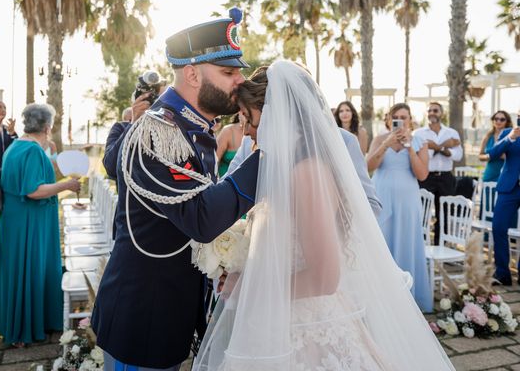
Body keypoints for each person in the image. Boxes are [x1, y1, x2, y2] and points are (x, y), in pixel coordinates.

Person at [193, 61, 454, 371]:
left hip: (307, 325)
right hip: (284, 313)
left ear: (279, 114)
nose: (246, 130)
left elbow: (324, 277)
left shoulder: (307, 173)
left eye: (249, 118)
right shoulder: (284, 167)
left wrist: (249, 283)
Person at [92, 9, 261, 371]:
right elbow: (200, 216)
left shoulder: (196, 127)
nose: (239, 81)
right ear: (192, 73)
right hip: (142, 318)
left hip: (169, 310)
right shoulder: (159, 132)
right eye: (229, 72)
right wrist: (269, 158)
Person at [0, 103, 80, 346]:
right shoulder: (32, 151)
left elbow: (35, 177)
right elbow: (33, 190)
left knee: (18, 271)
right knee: (28, 269)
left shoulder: (16, 145)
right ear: (48, 126)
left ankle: (19, 324)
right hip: (28, 222)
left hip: (16, 220)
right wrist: (67, 186)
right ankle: (21, 331)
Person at [228, 89, 382, 218]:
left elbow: (371, 205)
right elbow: (228, 187)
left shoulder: (344, 141)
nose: (246, 130)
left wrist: (327, 228)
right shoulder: (249, 142)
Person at [367, 102, 432, 311]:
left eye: (405, 117)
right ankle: (380, 296)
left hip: (407, 203)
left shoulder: (420, 141)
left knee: (405, 242)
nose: (401, 121)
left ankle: (407, 299)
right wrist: (386, 143)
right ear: (389, 119)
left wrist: (409, 147)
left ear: (410, 120)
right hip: (382, 198)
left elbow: (422, 174)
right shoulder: (379, 139)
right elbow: (368, 167)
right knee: (382, 243)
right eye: (397, 117)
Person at [413, 102, 463, 245]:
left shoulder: (452, 133)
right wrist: (443, 145)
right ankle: (420, 247)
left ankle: (441, 245)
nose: (432, 113)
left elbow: (458, 155)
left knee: (445, 213)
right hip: (425, 177)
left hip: (446, 177)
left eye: (435, 110)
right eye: (429, 111)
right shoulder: (418, 133)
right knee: (422, 212)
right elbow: (418, 155)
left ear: (442, 113)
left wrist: (439, 148)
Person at [487, 123, 520, 285]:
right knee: (498, 227)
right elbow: (492, 154)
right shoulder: (507, 133)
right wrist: (510, 138)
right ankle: (502, 273)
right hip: (509, 188)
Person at [479, 110, 512, 183]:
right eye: (496, 119)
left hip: (506, 175)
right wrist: (489, 156)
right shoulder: (487, 136)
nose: (498, 121)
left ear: (507, 122)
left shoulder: (512, 137)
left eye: (502, 119)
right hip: (490, 174)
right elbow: (480, 156)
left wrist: (506, 156)